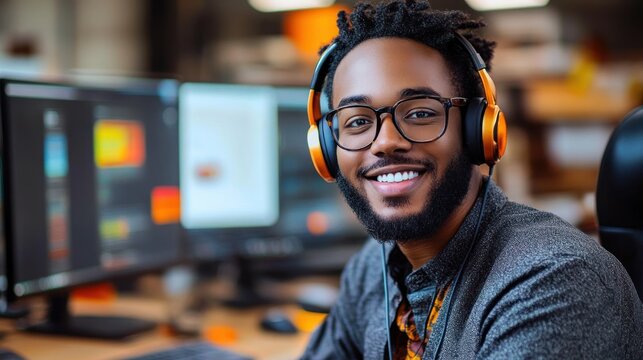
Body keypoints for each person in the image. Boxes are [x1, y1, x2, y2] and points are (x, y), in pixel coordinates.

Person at [300, 1, 643, 359]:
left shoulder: (554, 282)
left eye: (419, 113)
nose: (385, 141)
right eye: (357, 122)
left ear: (477, 132)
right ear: (326, 150)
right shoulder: (374, 268)